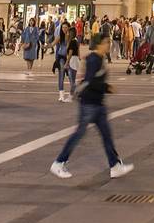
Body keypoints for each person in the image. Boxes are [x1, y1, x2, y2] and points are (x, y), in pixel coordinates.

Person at [50, 32, 132, 180]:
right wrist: (108, 88)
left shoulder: (99, 58)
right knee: (79, 134)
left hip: (97, 104)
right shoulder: (94, 59)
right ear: (100, 44)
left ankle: (115, 166)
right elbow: (90, 81)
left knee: (106, 135)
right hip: (89, 103)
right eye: (107, 42)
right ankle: (59, 162)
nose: (108, 45)